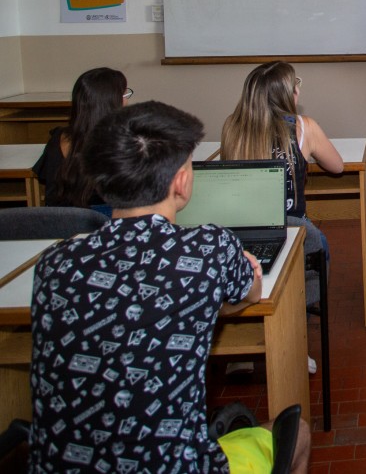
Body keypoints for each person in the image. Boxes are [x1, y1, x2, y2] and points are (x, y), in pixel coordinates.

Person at [29, 101, 311, 474]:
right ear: (181, 181)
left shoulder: (53, 264)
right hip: (176, 466)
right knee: (299, 434)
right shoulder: (209, 249)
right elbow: (253, 293)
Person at [222, 61, 343, 310]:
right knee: (319, 244)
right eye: (295, 84)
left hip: (241, 228)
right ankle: (303, 312)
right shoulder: (303, 127)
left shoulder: (232, 127)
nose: (298, 89)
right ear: (287, 94)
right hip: (293, 227)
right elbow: (337, 167)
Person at [32, 66, 131, 212]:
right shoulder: (126, 142)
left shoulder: (57, 139)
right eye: (124, 95)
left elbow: (48, 187)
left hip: (61, 225)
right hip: (108, 226)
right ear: (111, 103)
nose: (127, 102)